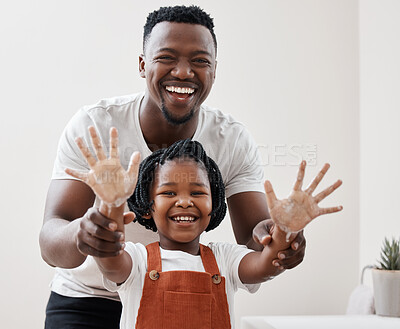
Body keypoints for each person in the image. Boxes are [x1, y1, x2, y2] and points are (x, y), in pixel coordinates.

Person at [39, 5, 332, 329]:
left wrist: (283, 237)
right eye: (166, 57)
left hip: (177, 299)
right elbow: (51, 239)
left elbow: (257, 239)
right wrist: (83, 234)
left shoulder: (231, 140)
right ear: (142, 64)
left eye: (199, 61)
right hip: (87, 300)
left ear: (215, 70)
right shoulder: (95, 126)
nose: (183, 72)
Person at [64, 129, 342, 329]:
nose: (184, 201)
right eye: (169, 193)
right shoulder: (137, 260)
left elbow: (266, 264)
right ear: (147, 206)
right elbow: (109, 254)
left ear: (214, 205)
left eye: (197, 193)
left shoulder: (225, 260)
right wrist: (112, 202)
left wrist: (285, 229)